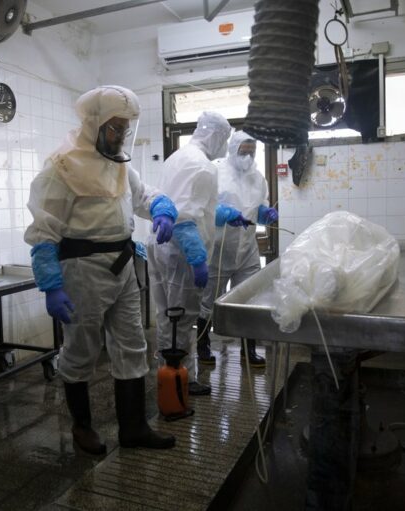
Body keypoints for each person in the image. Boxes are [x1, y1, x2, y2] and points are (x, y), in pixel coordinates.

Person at [25, 85, 178, 455]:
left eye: (126, 128)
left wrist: (162, 209)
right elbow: (44, 231)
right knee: (81, 349)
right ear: (94, 123)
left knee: (132, 344)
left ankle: (134, 427)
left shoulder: (120, 164)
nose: (121, 135)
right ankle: (82, 426)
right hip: (82, 270)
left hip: (124, 266)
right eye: (115, 127)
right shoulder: (61, 167)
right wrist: (51, 284)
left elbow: (145, 197)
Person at [147, 111, 233, 396]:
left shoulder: (177, 158)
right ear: (216, 136)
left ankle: (167, 373)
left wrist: (226, 214)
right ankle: (183, 379)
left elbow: (189, 205)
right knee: (183, 319)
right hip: (181, 252)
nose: (225, 146)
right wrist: (197, 258)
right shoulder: (203, 167)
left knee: (166, 315)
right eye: (225, 138)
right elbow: (186, 217)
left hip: (160, 245)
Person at [197, 131, 279, 368]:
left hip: (247, 249)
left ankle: (248, 349)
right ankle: (202, 344)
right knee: (208, 300)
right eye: (244, 151)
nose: (248, 156)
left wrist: (264, 214)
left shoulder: (258, 178)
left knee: (248, 299)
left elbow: (258, 207)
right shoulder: (215, 172)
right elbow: (202, 207)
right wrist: (222, 214)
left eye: (252, 152)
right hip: (218, 248)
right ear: (233, 149)